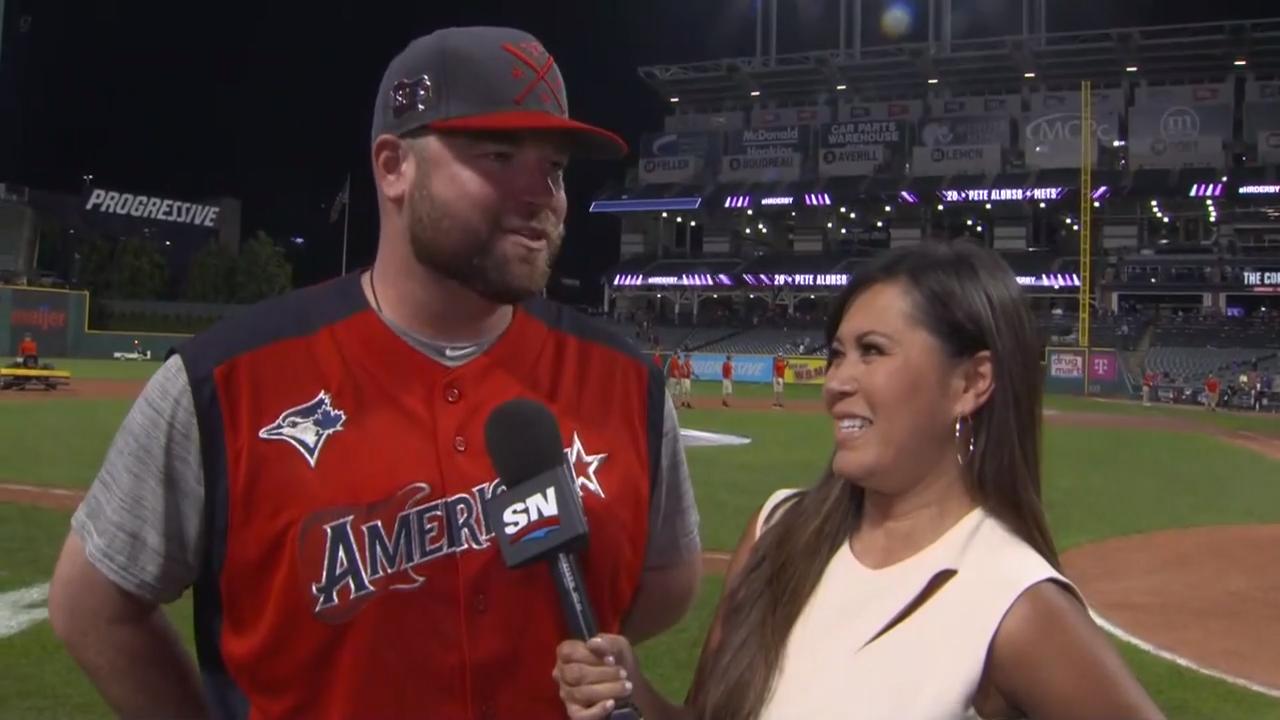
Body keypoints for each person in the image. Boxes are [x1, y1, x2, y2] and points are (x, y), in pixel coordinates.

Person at [47, 26, 702, 720]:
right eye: (501, 156)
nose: (542, 193)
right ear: (394, 167)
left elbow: (669, 581)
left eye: (557, 168)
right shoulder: (227, 381)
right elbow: (91, 607)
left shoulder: (626, 382)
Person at [553, 240, 1164, 720]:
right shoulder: (777, 529)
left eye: (872, 351)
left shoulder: (1016, 602)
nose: (837, 381)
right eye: (836, 354)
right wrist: (637, 694)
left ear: (971, 383)